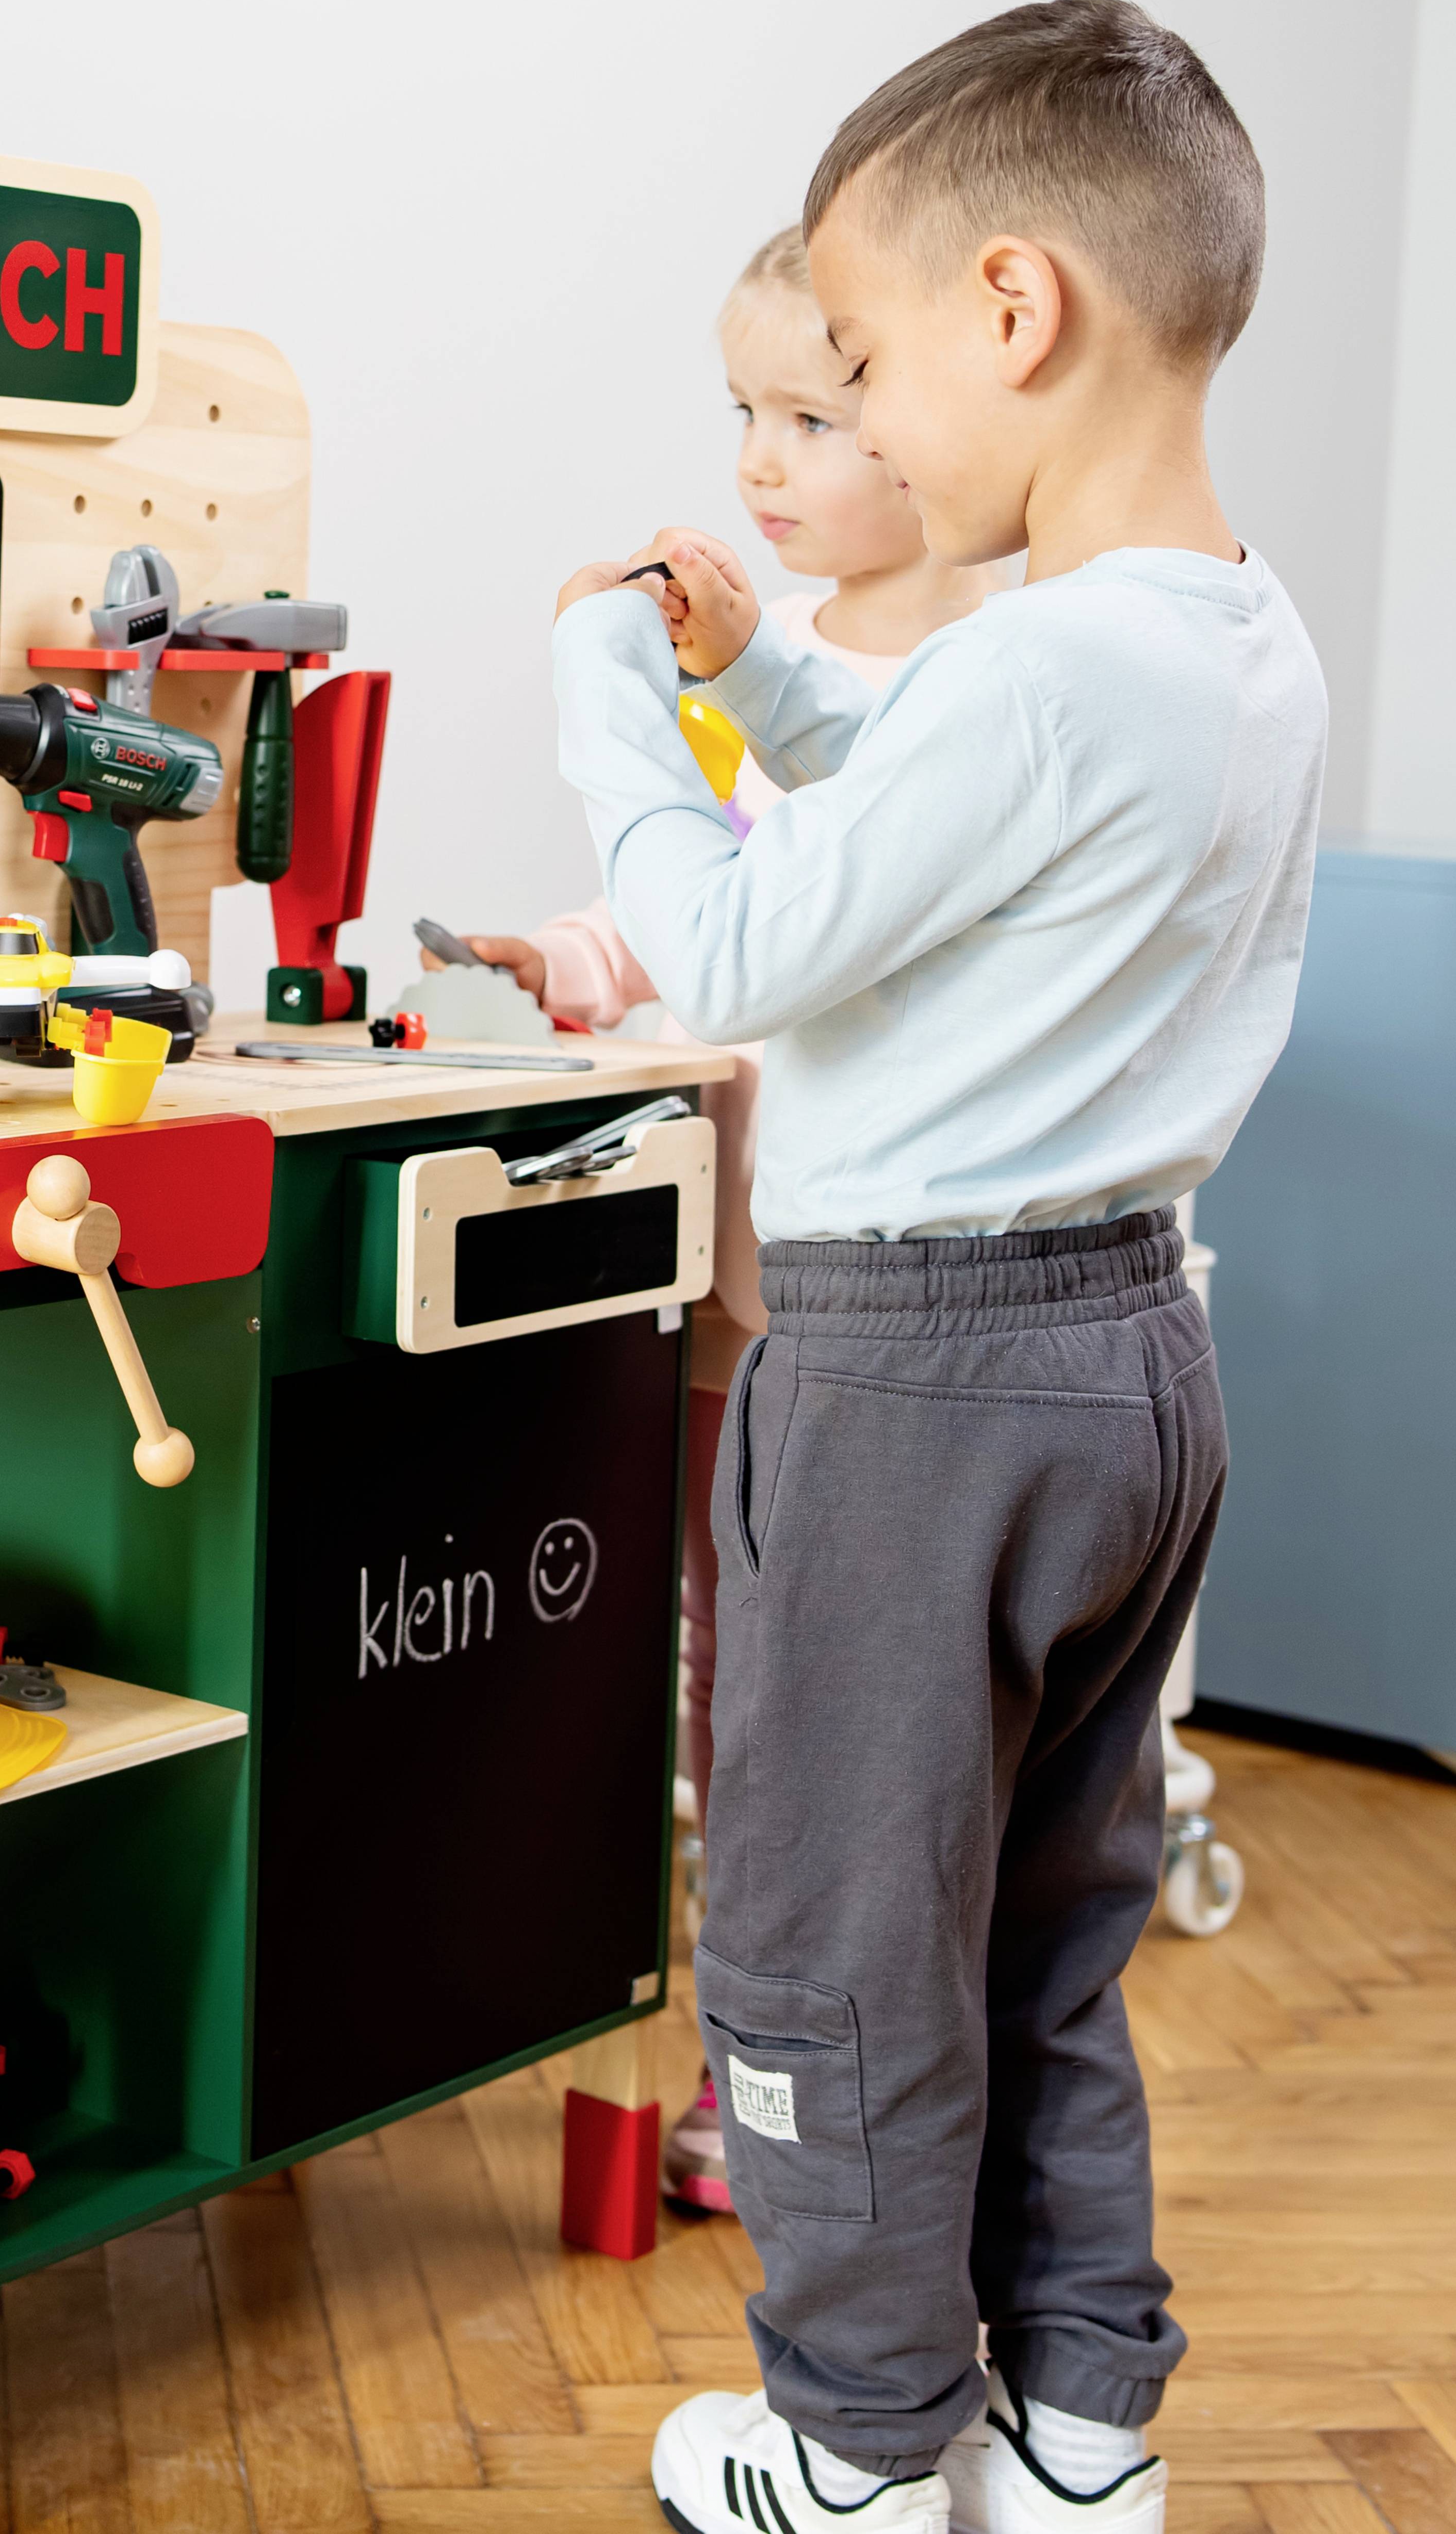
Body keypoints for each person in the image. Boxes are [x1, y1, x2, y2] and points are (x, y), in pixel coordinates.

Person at [551, 1, 1322, 2534]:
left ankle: (853, 2444)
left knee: (814, 1936)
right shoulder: (1227, 638)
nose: (856, 427)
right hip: (1131, 1355)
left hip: (913, 1385)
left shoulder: (1023, 660)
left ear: (1012, 314)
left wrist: (600, 686)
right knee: (1036, 1929)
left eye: (865, 362)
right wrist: (757, 669)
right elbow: (951, 820)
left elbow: (743, 945)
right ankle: (1070, 2424)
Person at [431, 223, 1000, 2222]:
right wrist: (572, 958)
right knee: (703, 1701)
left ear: (933, 428)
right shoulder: (759, 677)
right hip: (706, 1280)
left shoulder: (958, 689)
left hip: (835, 1314)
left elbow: (782, 943)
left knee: (804, 1722)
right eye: (741, 415)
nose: (761, 461)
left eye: (811, 417)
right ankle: (721, 2054)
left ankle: (797, 2091)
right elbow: (702, 912)